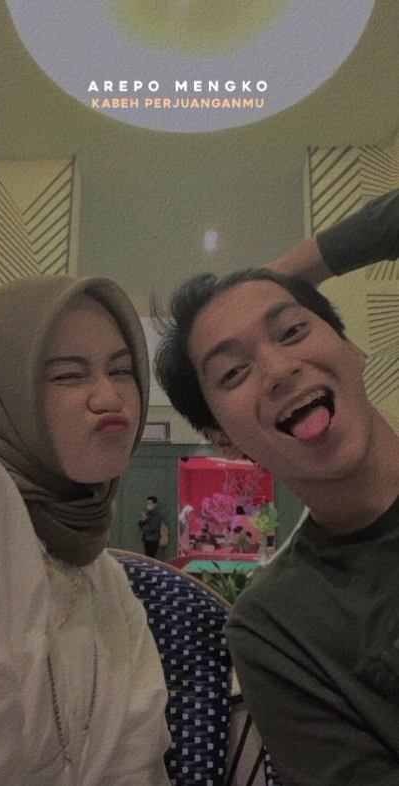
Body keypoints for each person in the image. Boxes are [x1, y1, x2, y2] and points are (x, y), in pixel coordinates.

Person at [154, 188, 399, 785]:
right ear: (224, 440)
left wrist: (295, 268)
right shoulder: (278, 626)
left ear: (353, 349)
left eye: (291, 331)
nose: (279, 370)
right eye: (234, 371)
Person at [0, 275, 171, 786]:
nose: (110, 397)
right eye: (69, 376)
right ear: (2, 393)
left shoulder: (102, 574)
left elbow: (138, 761)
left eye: (122, 370)